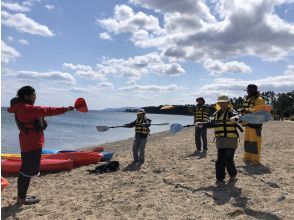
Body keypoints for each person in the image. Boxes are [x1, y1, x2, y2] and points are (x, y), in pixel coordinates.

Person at [7, 86, 74, 205]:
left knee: (24, 171)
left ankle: (21, 197)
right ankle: (21, 199)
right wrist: (67, 109)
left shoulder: (21, 108)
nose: (35, 96)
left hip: (27, 142)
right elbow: (48, 110)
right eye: (33, 94)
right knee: (26, 172)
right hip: (32, 144)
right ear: (26, 96)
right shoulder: (26, 108)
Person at [197, 95, 241, 185]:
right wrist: (202, 124)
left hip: (230, 140)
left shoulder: (231, 112)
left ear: (228, 103)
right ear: (219, 103)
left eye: (224, 102)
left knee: (228, 158)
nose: (223, 104)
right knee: (220, 160)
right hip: (220, 140)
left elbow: (237, 116)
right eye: (221, 102)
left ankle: (233, 175)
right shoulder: (216, 113)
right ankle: (220, 178)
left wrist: (235, 118)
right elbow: (212, 124)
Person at [239, 84, 265, 165]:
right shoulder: (248, 99)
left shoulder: (259, 99)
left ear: (254, 91)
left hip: (255, 125)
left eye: (249, 90)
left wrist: (245, 110)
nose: (248, 92)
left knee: (255, 142)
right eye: (248, 90)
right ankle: (248, 157)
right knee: (248, 141)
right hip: (247, 124)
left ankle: (256, 160)